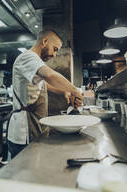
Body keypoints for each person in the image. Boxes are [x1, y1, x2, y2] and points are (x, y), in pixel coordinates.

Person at [7, 29, 83, 158]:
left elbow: (44, 85)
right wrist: (74, 90)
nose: (54, 54)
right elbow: (50, 75)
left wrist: (64, 91)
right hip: (23, 131)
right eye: (54, 49)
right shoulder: (28, 57)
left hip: (33, 126)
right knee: (22, 173)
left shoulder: (35, 62)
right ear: (45, 41)